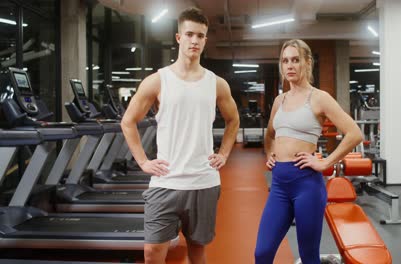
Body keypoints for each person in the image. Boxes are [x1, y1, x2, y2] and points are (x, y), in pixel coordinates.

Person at [121, 7, 239, 264]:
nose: (194, 40)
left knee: (197, 250)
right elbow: (128, 121)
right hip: (166, 181)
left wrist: (224, 153)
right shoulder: (157, 80)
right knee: (152, 253)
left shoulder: (216, 83)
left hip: (204, 181)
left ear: (205, 40)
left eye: (200, 35)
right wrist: (143, 162)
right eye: (189, 34)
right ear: (178, 38)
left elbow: (233, 120)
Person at [254, 39, 363, 264]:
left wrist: (325, 163)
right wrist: (269, 154)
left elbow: (354, 133)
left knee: (308, 256)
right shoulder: (279, 100)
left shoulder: (319, 98)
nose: (290, 66)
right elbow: (270, 135)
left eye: (295, 60)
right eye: (285, 61)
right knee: (262, 252)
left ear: (307, 63)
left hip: (307, 186)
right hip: (279, 186)